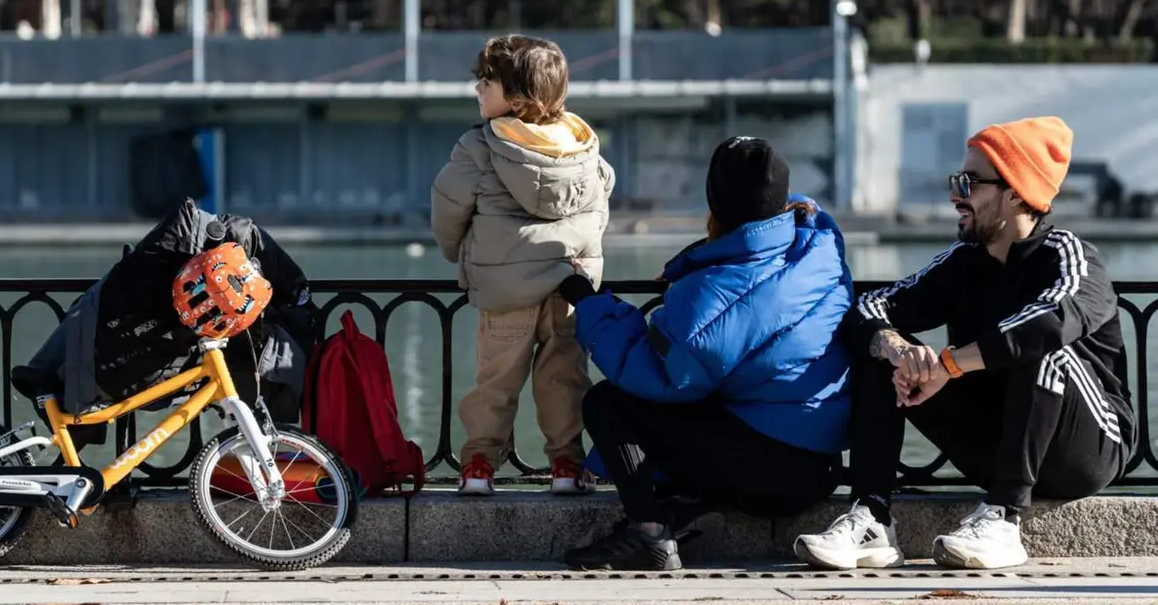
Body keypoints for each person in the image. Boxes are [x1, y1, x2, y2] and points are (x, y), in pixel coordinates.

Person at [795, 116, 1137, 571]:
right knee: (881, 353)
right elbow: (869, 307)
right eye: (957, 181)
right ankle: (873, 519)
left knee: (1041, 345)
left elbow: (1053, 321)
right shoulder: (963, 263)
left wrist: (950, 364)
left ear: (1016, 191)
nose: (956, 194)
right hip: (996, 445)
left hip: (1087, 450)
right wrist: (898, 349)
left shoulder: (1071, 257)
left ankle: (1004, 517)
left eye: (970, 183)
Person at [557, 137, 853, 571]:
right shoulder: (817, 247)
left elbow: (654, 374)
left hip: (771, 474)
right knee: (723, 398)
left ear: (715, 201)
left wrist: (589, 301)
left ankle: (649, 533)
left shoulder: (714, 291)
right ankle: (685, 506)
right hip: (823, 467)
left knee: (608, 404)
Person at [431, 34, 615, 496]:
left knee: (495, 379)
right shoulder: (581, 145)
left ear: (514, 97)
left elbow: (447, 208)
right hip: (569, 288)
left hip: (505, 288)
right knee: (563, 378)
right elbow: (602, 194)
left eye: (484, 83)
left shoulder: (480, 146)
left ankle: (477, 465)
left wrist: (462, 255)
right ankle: (567, 468)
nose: (477, 90)